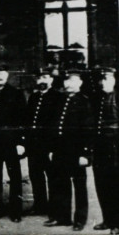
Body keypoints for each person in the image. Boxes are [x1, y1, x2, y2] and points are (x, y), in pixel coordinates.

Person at [44, 69, 92, 231]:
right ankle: (63, 217)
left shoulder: (84, 101)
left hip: (76, 151)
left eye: (72, 80)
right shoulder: (61, 100)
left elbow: (87, 130)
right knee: (60, 184)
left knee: (79, 186)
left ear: (80, 83)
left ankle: (80, 219)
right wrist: (51, 148)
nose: (68, 84)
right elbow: (54, 127)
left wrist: (85, 153)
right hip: (60, 150)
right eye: (66, 81)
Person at [0, 63, 26, 223]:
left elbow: (22, 120)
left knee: (14, 176)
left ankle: (15, 211)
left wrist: (21, 142)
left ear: (7, 74)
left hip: (11, 143)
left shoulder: (16, 94)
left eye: (1, 72)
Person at [24, 68, 62, 217]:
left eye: (45, 77)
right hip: (34, 145)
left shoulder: (58, 97)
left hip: (49, 145)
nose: (42, 80)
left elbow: (57, 124)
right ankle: (40, 206)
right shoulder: (33, 97)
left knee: (53, 176)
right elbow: (28, 120)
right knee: (36, 176)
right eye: (39, 78)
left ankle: (54, 208)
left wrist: (54, 146)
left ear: (51, 80)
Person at [89, 67, 119, 235]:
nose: (104, 82)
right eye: (102, 79)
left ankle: (117, 223)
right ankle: (107, 219)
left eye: (108, 78)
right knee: (102, 184)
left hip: (116, 148)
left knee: (116, 185)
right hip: (100, 147)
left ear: (114, 79)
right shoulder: (97, 98)